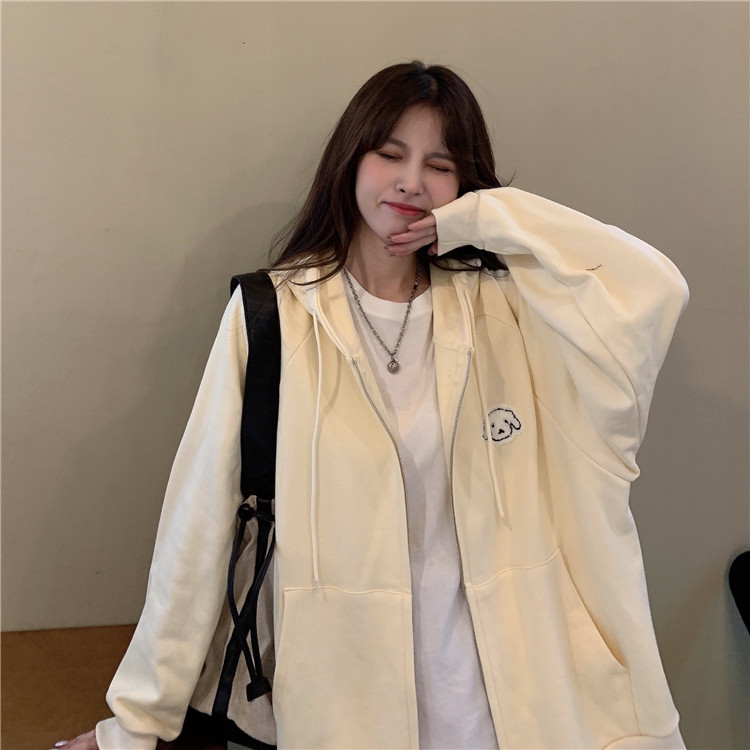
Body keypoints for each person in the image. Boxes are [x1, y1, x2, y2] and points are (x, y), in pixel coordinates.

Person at [57, 61, 688, 750]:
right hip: (346, 704)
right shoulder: (275, 315)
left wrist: (486, 219)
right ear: (351, 160)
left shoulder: (508, 313)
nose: (411, 181)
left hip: (513, 705)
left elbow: (653, 291)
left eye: (439, 166)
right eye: (390, 154)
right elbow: (198, 522)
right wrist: (136, 723)